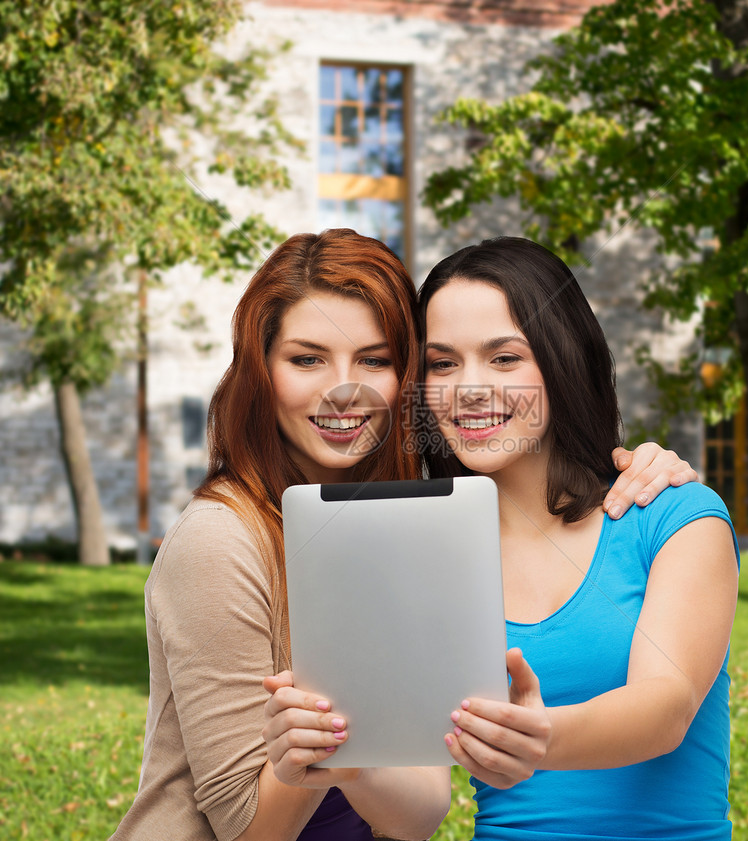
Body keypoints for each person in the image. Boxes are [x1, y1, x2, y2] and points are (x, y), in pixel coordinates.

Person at [111, 228, 697, 841]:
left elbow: (421, 813)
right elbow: (248, 830)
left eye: (375, 360)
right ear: (261, 373)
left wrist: (354, 762)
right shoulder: (220, 542)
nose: (345, 390)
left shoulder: (402, 526)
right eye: (306, 359)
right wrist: (310, 756)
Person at [414, 236, 739, 840]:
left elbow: (666, 705)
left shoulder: (671, 515)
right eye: (442, 363)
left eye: (505, 358)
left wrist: (542, 738)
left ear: (561, 361)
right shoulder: (428, 561)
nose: (469, 388)